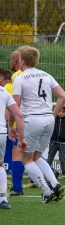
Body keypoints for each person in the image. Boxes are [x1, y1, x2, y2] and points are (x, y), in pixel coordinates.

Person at [11, 46, 65, 203]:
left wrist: (11, 126)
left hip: (32, 119)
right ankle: (55, 184)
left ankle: (47, 191)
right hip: (48, 119)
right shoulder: (46, 75)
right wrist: (53, 114)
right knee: (37, 156)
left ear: (22, 61)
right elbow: (63, 96)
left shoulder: (20, 78)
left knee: (26, 158)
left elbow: (15, 105)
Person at [0, 67, 28, 209]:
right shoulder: (4, 92)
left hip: (5, 129)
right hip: (2, 132)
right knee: (0, 165)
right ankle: (3, 199)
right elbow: (17, 114)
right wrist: (20, 137)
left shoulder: (7, 89)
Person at [6, 48, 25, 196]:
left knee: (16, 151)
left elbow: (14, 102)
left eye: (11, 60)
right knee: (32, 153)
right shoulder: (41, 74)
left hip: (22, 118)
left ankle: (17, 187)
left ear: (16, 61)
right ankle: (51, 175)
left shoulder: (17, 76)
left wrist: (10, 124)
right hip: (39, 116)